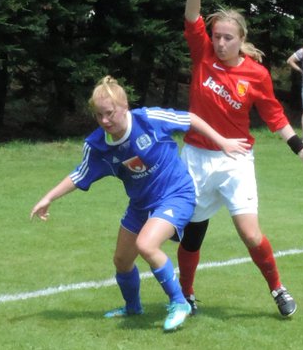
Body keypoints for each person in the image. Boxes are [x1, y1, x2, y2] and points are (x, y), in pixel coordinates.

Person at [178, 0, 303, 319]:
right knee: (192, 232)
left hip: (236, 161)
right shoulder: (203, 56)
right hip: (196, 156)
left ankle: (278, 289)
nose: (221, 41)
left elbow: (275, 116)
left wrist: (301, 149)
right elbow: (192, 15)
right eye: (217, 36)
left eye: (229, 37)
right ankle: (186, 294)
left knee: (249, 234)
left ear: (242, 39)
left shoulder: (256, 74)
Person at [31, 76, 249, 333]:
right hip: (141, 204)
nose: (104, 121)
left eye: (109, 113)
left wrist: (222, 142)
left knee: (146, 245)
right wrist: (48, 198)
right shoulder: (97, 145)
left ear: (124, 107)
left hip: (176, 193)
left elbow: (190, 119)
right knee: (122, 260)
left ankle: (180, 303)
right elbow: (80, 175)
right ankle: (133, 307)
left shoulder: (149, 119)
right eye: (98, 115)